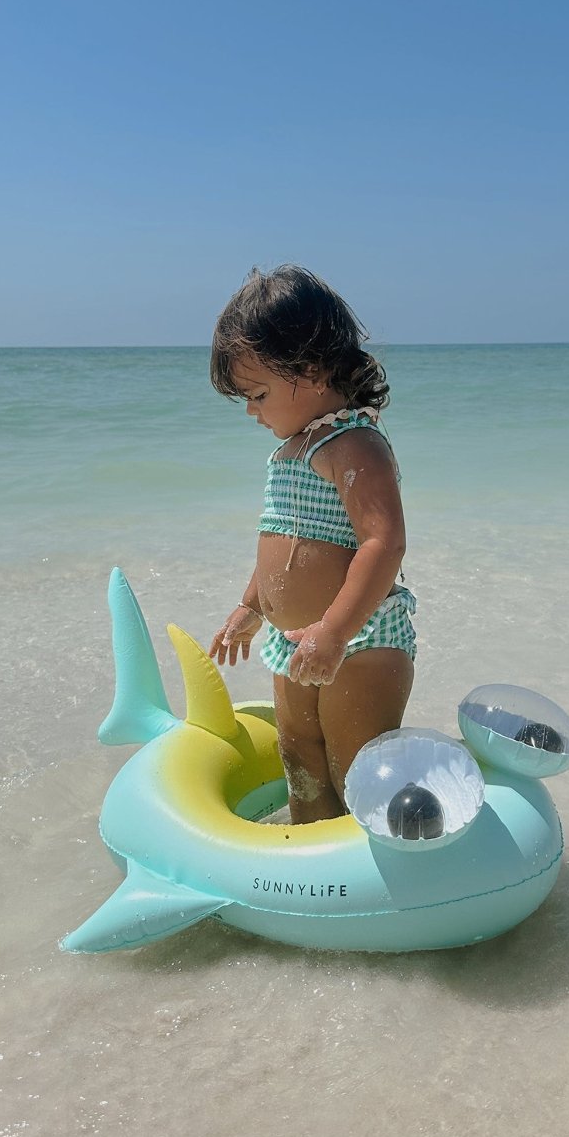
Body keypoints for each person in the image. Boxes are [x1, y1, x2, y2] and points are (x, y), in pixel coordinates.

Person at [208, 265, 416, 824]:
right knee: (299, 757)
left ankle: (372, 856)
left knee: (355, 772)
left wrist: (335, 631)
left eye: (258, 394)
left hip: (359, 642)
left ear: (311, 368)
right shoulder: (291, 450)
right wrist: (251, 607)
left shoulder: (354, 443)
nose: (251, 411)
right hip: (294, 643)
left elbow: (384, 542)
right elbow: (284, 540)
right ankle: (306, 853)